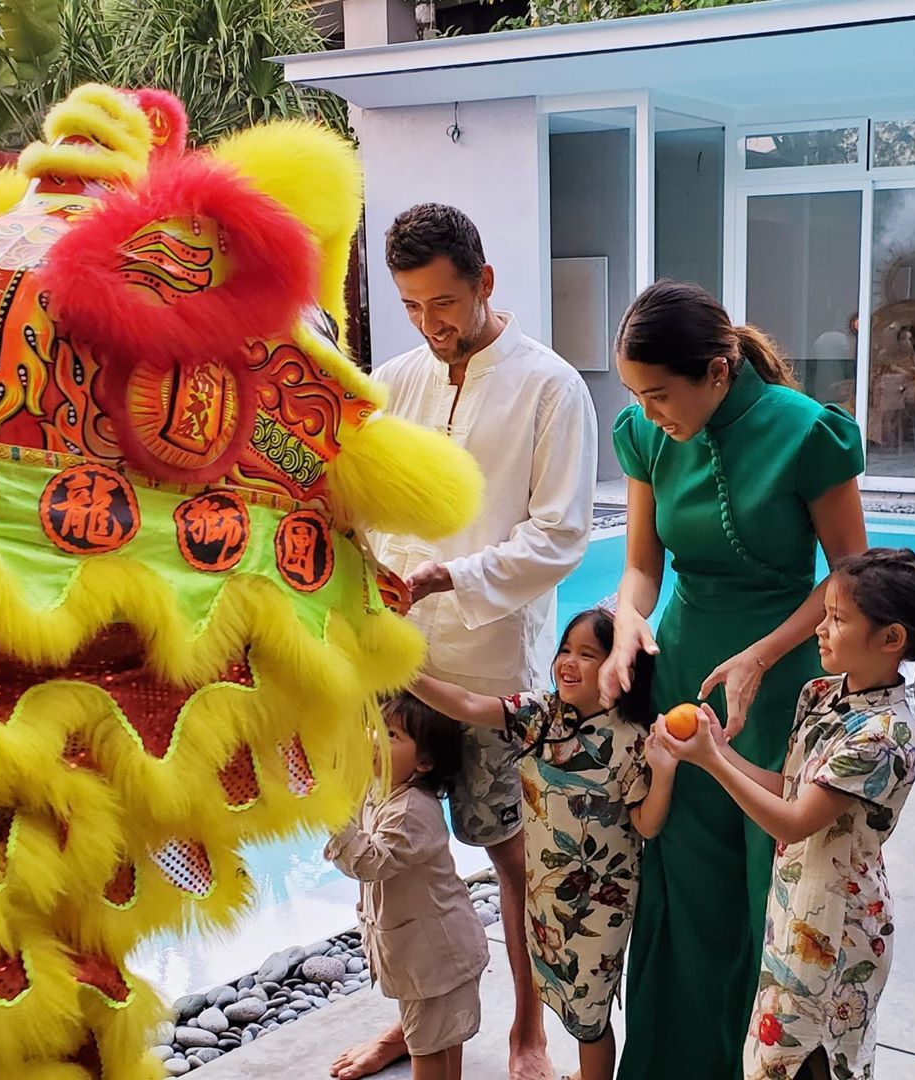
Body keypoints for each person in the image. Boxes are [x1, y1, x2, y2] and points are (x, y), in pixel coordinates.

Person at [332, 204, 598, 1080]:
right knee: (393, 859)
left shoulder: (551, 386)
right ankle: (415, 1030)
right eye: (411, 305)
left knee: (510, 858)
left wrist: (454, 577)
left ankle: (527, 1030)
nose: (430, 323)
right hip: (396, 668)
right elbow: (366, 507)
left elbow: (561, 535)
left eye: (443, 301)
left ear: (485, 282)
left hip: (489, 671)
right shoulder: (397, 380)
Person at [598, 280, 868, 1080]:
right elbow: (642, 565)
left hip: (781, 680)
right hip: (686, 669)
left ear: (718, 372)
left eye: (659, 394)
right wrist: (629, 622)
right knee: (685, 873)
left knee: (770, 879)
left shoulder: (807, 434)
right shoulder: (647, 435)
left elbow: (852, 576)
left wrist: (760, 655)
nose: (649, 413)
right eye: (636, 395)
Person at [658, 547, 915, 1080]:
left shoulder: (883, 736)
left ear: (891, 639)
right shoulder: (821, 695)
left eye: (837, 619)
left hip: (839, 932)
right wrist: (720, 749)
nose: (820, 630)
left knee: (812, 1061)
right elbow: (790, 789)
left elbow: (795, 821)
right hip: (794, 911)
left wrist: (711, 762)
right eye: (823, 615)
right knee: (774, 1059)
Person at [411, 608, 677, 1080]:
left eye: (588, 654)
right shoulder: (542, 715)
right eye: (565, 651)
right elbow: (469, 705)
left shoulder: (630, 740)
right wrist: (404, 673)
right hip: (545, 898)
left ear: (622, 667)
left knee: (590, 1018)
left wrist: (665, 771)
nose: (568, 662)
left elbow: (647, 825)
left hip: (598, 908)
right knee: (562, 998)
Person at [325, 694, 490, 1080]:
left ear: (424, 763)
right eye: (375, 728)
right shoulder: (381, 789)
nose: (374, 739)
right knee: (441, 1038)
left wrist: (330, 813)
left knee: (428, 1050)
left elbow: (369, 862)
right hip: (427, 954)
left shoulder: (413, 810)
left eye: (392, 735)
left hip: (435, 957)